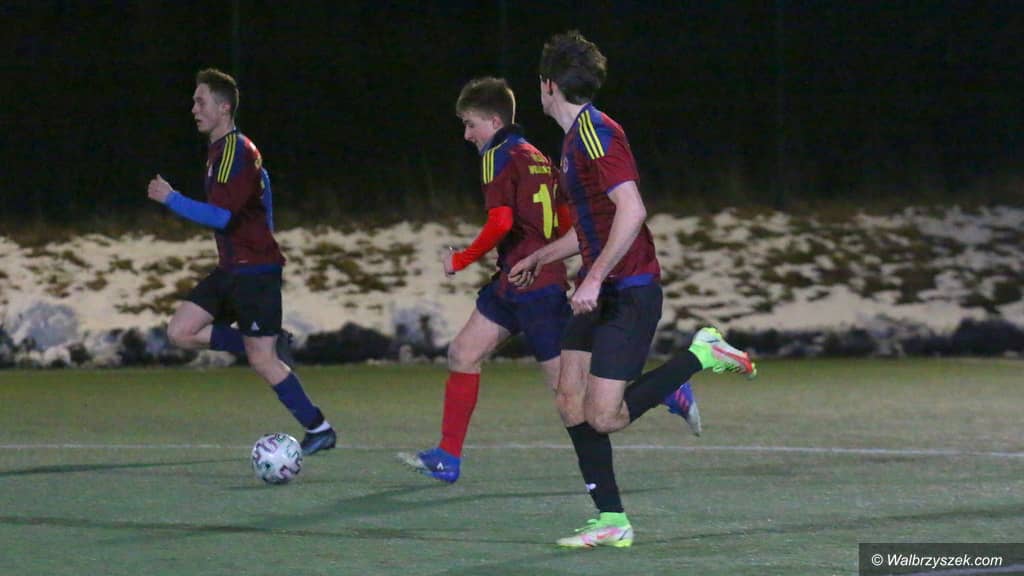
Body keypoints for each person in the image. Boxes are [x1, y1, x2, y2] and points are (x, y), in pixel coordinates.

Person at [509, 31, 757, 549]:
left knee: (605, 416)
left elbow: (633, 209)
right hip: (602, 288)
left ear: (548, 85)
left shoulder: (597, 132)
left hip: (630, 290)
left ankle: (701, 355)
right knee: (569, 401)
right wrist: (540, 256)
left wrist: (594, 277)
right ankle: (612, 520)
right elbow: (593, 227)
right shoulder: (574, 141)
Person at [396, 78, 699, 484]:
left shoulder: (496, 155)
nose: (467, 135)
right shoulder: (537, 155)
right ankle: (448, 457)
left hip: (537, 290)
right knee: (463, 353)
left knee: (572, 396)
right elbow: (571, 219)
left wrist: (461, 259)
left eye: (470, 124)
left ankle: (661, 392)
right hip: (515, 279)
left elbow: (500, 222)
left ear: (493, 121)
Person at [146, 68, 335, 456]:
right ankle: (269, 342)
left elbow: (222, 217)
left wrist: (171, 198)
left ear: (224, 107)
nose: (193, 108)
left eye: (200, 101)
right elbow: (263, 200)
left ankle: (319, 428)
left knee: (263, 361)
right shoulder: (220, 151)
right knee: (181, 331)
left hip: (255, 273)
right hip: (232, 268)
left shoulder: (236, 150)